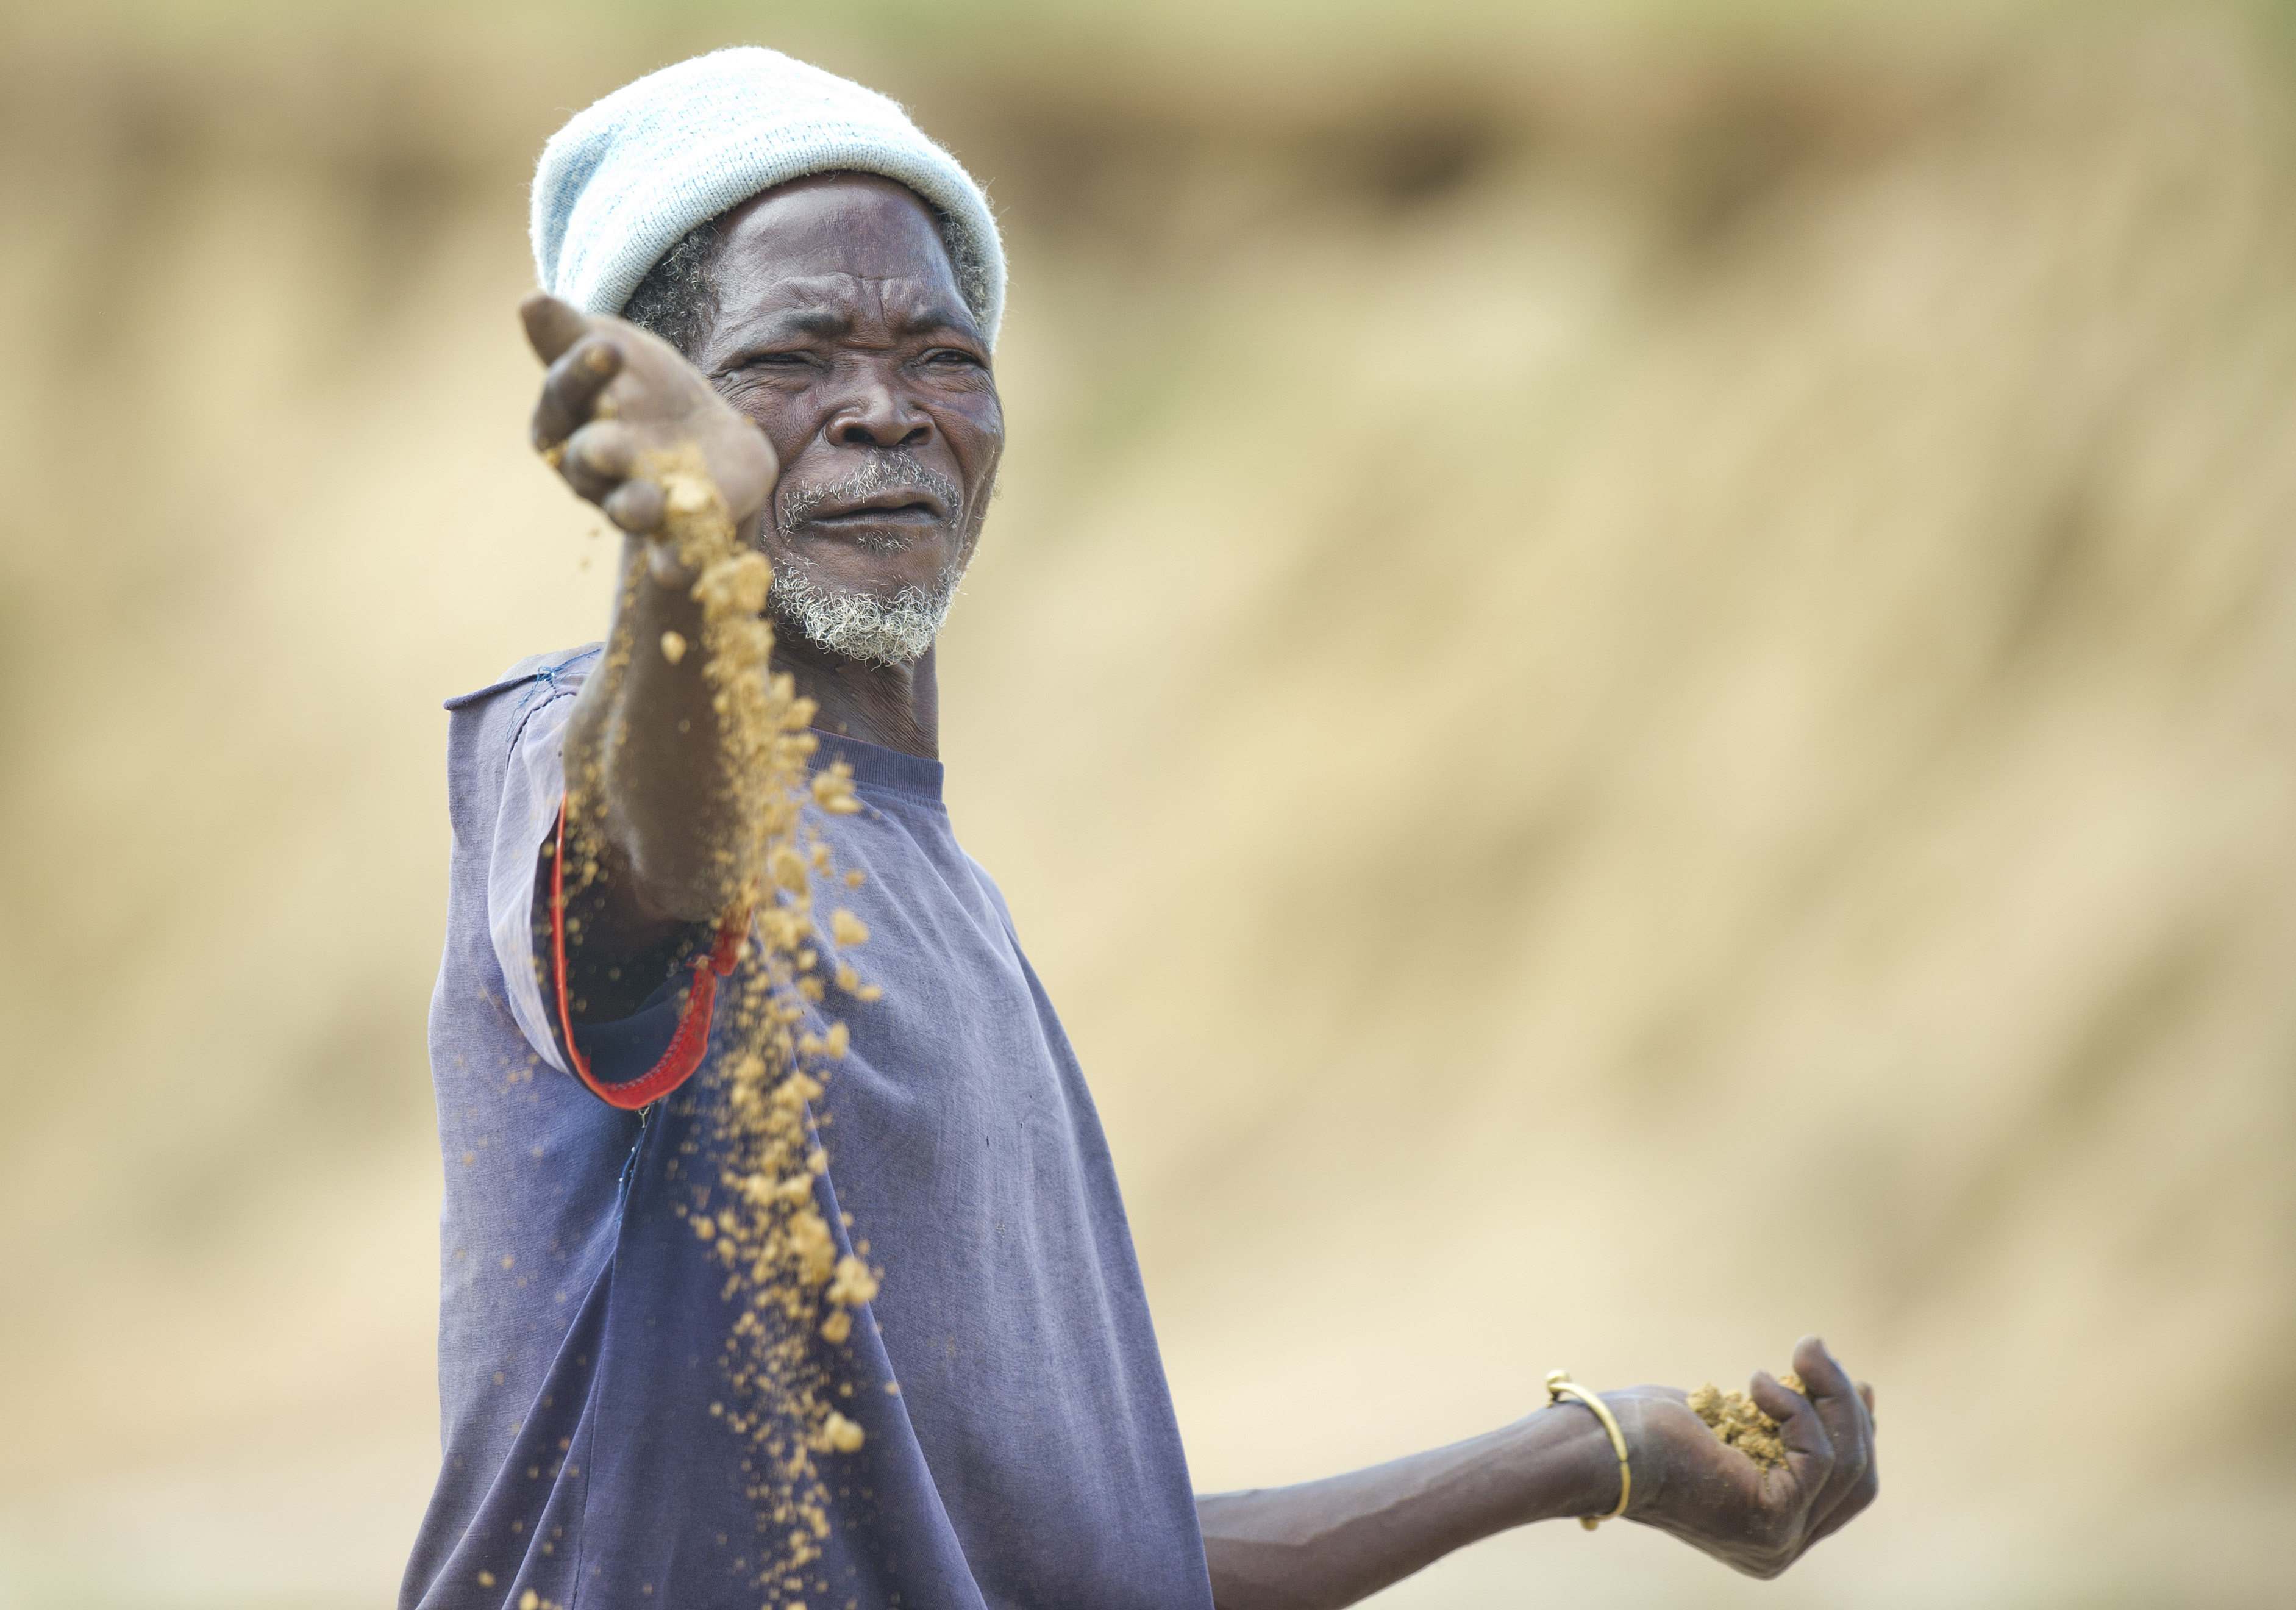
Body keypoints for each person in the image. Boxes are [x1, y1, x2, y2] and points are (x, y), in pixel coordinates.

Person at [404, 47, 1877, 1610]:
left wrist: (1596, 1455)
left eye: (942, 357)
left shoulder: (952, 914)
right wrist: (686, 562)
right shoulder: (573, 751)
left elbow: (1093, 1570)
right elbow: (641, 881)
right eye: (795, 357)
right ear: (656, 414)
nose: (883, 411)